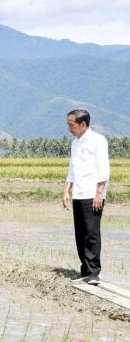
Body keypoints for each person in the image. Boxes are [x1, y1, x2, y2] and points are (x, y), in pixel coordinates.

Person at [61, 109, 110, 285]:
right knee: (80, 233)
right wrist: (67, 190)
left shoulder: (98, 141)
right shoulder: (75, 143)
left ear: (83, 124)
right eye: (68, 124)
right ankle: (85, 270)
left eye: (71, 125)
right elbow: (72, 170)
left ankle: (94, 273)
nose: (69, 128)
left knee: (91, 233)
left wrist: (99, 194)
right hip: (79, 193)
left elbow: (103, 169)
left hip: (92, 194)